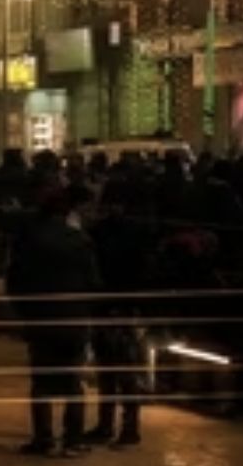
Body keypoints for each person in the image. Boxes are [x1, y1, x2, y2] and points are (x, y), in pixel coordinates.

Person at [7, 186, 100, 457]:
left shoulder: (28, 240)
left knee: (42, 381)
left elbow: (16, 280)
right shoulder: (81, 240)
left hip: (40, 319)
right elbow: (93, 283)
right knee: (73, 381)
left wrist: (24, 313)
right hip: (74, 320)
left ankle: (43, 437)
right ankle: (72, 439)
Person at [85, 179, 150, 447]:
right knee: (124, 372)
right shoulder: (137, 233)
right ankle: (126, 426)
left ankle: (110, 425)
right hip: (125, 309)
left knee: (111, 372)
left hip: (107, 308)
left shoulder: (98, 233)